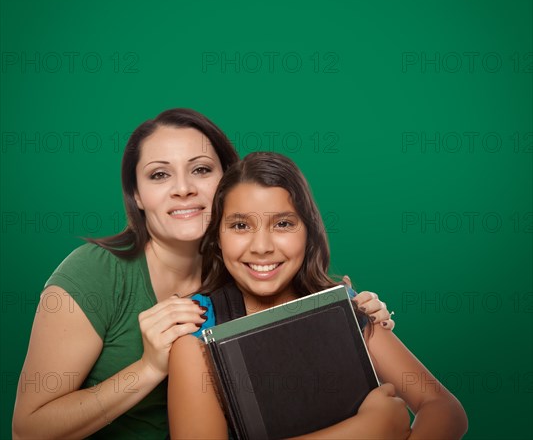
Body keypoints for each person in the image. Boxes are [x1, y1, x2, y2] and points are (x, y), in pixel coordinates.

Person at [12, 109, 394, 439]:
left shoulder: (249, 269)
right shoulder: (94, 273)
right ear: (137, 195)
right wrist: (148, 368)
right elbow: (29, 430)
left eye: (201, 169)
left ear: (228, 182)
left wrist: (354, 319)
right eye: (159, 175)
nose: (183, 189)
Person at [168, 152, 468, 440]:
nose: (261, 247)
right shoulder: (196, 334)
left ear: (308, 233)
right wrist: (365, 432)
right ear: (218, 238)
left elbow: (444, 409)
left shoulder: (343, 309)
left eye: (283, 223)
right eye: (240, 225)